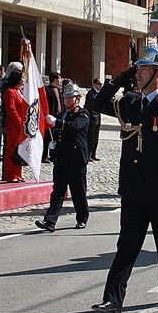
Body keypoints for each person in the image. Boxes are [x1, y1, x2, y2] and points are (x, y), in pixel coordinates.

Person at [91, 45, 158, 313]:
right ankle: (113, 299)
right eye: (137, 68)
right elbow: (94, 103)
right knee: (126, 245)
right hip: (133, 187)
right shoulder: (129, 102)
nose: (138, 73)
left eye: (144, 69)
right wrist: (119, 79)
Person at [35, 83, 91, 231]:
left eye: (70, 98)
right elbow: (59, 131)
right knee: (58, 191)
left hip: (76, 159)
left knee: (78, 191)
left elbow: (74, 127)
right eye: (65, 97)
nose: (67, 100)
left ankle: (82, 217)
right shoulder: (62, 114)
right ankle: (50, 221)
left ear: (77, 99)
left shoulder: (83, 114)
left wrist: (56, 122)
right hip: (61, 158)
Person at [1, 70, 27, 183]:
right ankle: (10, 174)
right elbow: (11, 110)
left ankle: (18, 173)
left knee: (19, 151)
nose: (23, 79)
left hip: (22, 126)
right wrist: (20, 123)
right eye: (22, 77)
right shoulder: (10, 92)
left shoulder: (20, 91)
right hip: (13, 126)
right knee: (11, 150)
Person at [43, 71, 64, 162]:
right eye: (59, 78)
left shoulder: (58, 90)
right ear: (55, 79)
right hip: (50, 116)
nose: (60, 80)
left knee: (55, 137)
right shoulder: (47, 90)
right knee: (47, 137)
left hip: (58, 116)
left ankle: (53, 155)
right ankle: (44, 156)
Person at [83, 78, 103, 162]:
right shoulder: (91, 93)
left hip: (97, 118)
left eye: (101, 84)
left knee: (95, 138)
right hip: (92, 118)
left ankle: (94, 154)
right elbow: (89, 106)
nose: (100, 86)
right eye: (99, 84)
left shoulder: (99, 93)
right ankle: (88, 154)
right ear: (94, 84)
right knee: (90, 138)